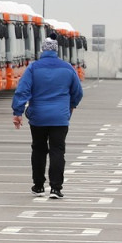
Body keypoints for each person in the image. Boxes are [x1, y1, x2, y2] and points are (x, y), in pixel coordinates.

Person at [12, 37, 82, 198]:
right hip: (60, 117)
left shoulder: (33, 68)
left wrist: (18, 112)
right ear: (56, 50)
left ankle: (38, 185)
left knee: (38, 149)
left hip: (38, 116)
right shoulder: (67, 68)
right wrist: (71, 105)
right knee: (57, 150)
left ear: (43, 50)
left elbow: (22, 90)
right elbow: (77, 91)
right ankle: (56, 188)